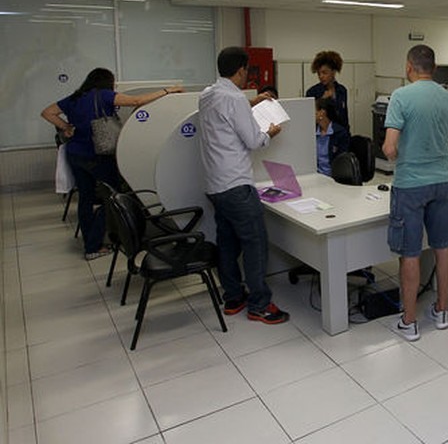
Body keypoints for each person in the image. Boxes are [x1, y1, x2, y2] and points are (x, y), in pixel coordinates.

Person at [40, 69, 183, 260]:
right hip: (98, 155)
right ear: (107, 82)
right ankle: (94, 243)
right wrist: (168, 91)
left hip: (76, 155)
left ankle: (90, 244)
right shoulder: (104, 96)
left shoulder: (75, 97)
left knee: (86, 199)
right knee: (112, 198)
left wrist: (66, 127)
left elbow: (47, 113)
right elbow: (136, 101)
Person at [199, 47, 289, 325]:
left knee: (227, 242)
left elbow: (226, 116)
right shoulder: (235, 98)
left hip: (215, 185)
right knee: (255, 244)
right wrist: (269, 133)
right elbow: (253, 140)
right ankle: (260, 305)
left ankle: (234, 297)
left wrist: (253, 101)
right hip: (237, 184)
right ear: (241, 71)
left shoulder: (208, 95)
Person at [383, 45, 448, 341]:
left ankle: (409, 322)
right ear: (434, 66)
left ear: (409, 67)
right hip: (442, 182)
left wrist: (403, 155)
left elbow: (389, 147)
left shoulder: (401, 97)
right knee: (443, 248)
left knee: (410, 253)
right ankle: (442, 312)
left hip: (410, 184)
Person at [305, 50, 348, 129]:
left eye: (324, 73)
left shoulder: (342, 90)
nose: (321, 76)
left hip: (340, 133)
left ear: (334, 72)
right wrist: (322, 100)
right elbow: (310, 118)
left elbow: (344, 116)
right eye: (319, 73)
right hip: (322, 134)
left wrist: (347, 134)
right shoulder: (312, 92)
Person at [315, 97, 350, 177]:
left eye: (315, 110)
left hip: (333, 177)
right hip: (316, 175)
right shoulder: (312, 132)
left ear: (322, 112)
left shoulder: (340, 133)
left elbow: (342, 162)